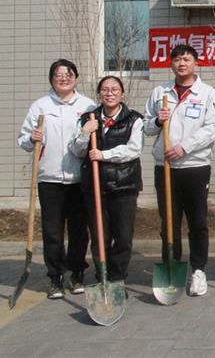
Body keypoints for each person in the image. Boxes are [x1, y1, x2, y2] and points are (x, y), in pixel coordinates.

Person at [143, 45, 215, 296]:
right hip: (165, 167)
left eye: (187, 59)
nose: (181, 63)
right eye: (177, 59)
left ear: (196, 64)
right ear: (171, 64)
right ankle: (171, 266)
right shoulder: (160, 93)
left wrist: (184, 148)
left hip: (195, 167)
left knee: (197, 221)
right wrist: (157, 120)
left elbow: (211, 129)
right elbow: (146, 127)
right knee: (169, 221)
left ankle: (198, 270)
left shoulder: (206, 93)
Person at [17, 60, 95, 299]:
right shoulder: (40, 106)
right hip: (49, 177)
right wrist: (32, 138)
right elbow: (23, 140)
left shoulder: (87, 105)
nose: (63, 78)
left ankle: (77, 273)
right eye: (58, 75)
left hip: (78, 178)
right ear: (51, 79)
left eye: (68, 74)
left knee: (79, 230)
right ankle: (55, 277)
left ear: (76, 78)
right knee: (52, 231)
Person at [70, 76, 144, 289]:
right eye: (105, 90)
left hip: (124, 187)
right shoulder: (88, 119)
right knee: (100, 237)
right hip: (95, 187)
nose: (109, 93)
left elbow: (133, 150)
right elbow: (77, 151)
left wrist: (104, 155)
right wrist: (85, 133)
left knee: (123, 237)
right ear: (99, 94)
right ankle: (102, 276)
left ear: (122, 93)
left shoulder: (133, 119)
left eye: (114, 89)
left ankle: (117, 279)